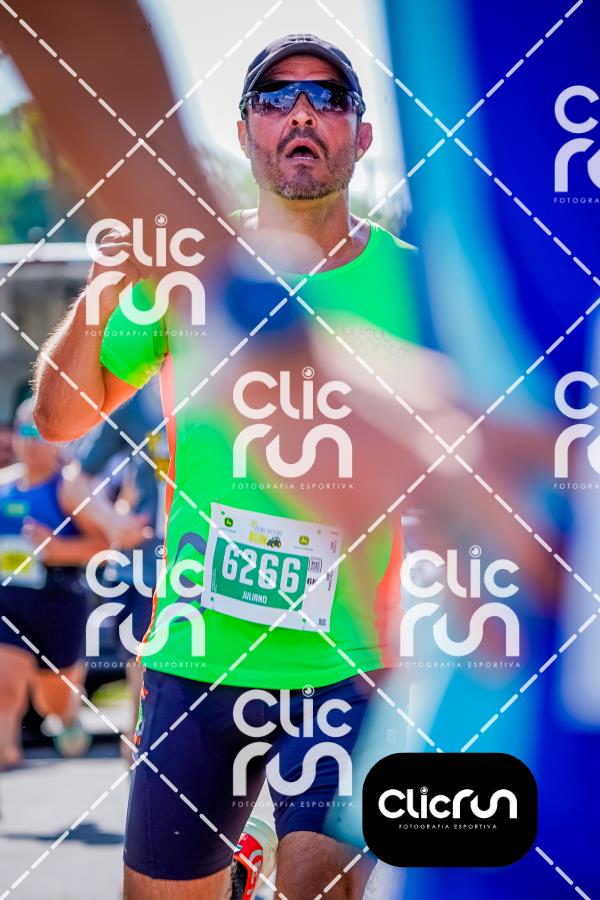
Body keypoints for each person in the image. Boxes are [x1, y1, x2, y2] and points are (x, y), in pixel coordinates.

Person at [34, 34, 429, 900]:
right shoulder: (184, 279)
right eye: (275, 99)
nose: (301, 114)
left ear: (362, 136)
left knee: (323, 886)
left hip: (352, 667)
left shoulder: (414, 287)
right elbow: (59, 418)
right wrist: (106, 282)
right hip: (197, 662)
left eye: (328, 98)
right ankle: (239, 861)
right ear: (248, 134)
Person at [0, 400, 110, 768]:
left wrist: (57, 549)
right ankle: (6, 754)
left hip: (58, 604)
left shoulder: (69, 488)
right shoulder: (3, 485)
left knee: (53, 704)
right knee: (4, 692)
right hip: (8, 603)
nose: (31, 441)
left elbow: (107, 547)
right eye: (24, 431)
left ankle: (67, 715)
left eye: (40, 433)